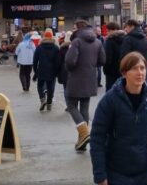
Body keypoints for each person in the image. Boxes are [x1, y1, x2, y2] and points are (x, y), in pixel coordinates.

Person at [90, 51, 147, 185]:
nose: (140, 73)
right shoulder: (110, 99)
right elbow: (97, 137)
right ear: (124, 73)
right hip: (116, 171)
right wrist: (100, 174)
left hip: (144, 171)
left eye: (142, 68)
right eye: (134, 69)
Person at [65, 20, 106, 151]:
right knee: (84, 108)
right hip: (90, 78)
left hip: (76, 78)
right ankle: (81, 140)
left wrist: (69, 67)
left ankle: (84, 133)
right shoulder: (98, 42)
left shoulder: (76, 41)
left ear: (79, 29)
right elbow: (102, 60)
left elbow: (70, 61)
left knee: (71, 105)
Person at [33, 28, 61, 112]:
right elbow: (58, 62)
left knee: (40, 85)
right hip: (52, 71)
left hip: (41, 70)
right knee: (50, 87)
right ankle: (49, 104)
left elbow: (35, 61)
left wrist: (35, 71)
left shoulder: (39, 47)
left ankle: (42, 99)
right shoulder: (56, 48)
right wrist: (56, 72)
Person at [103, 22, 126, 91]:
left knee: (110, 93)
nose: (107, 32)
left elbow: (107, 58)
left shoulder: (109, 41)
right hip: (123, 70)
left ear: (112, 30)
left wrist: (105, 70)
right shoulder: (126, 39)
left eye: (108, 30)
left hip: (111, 72)